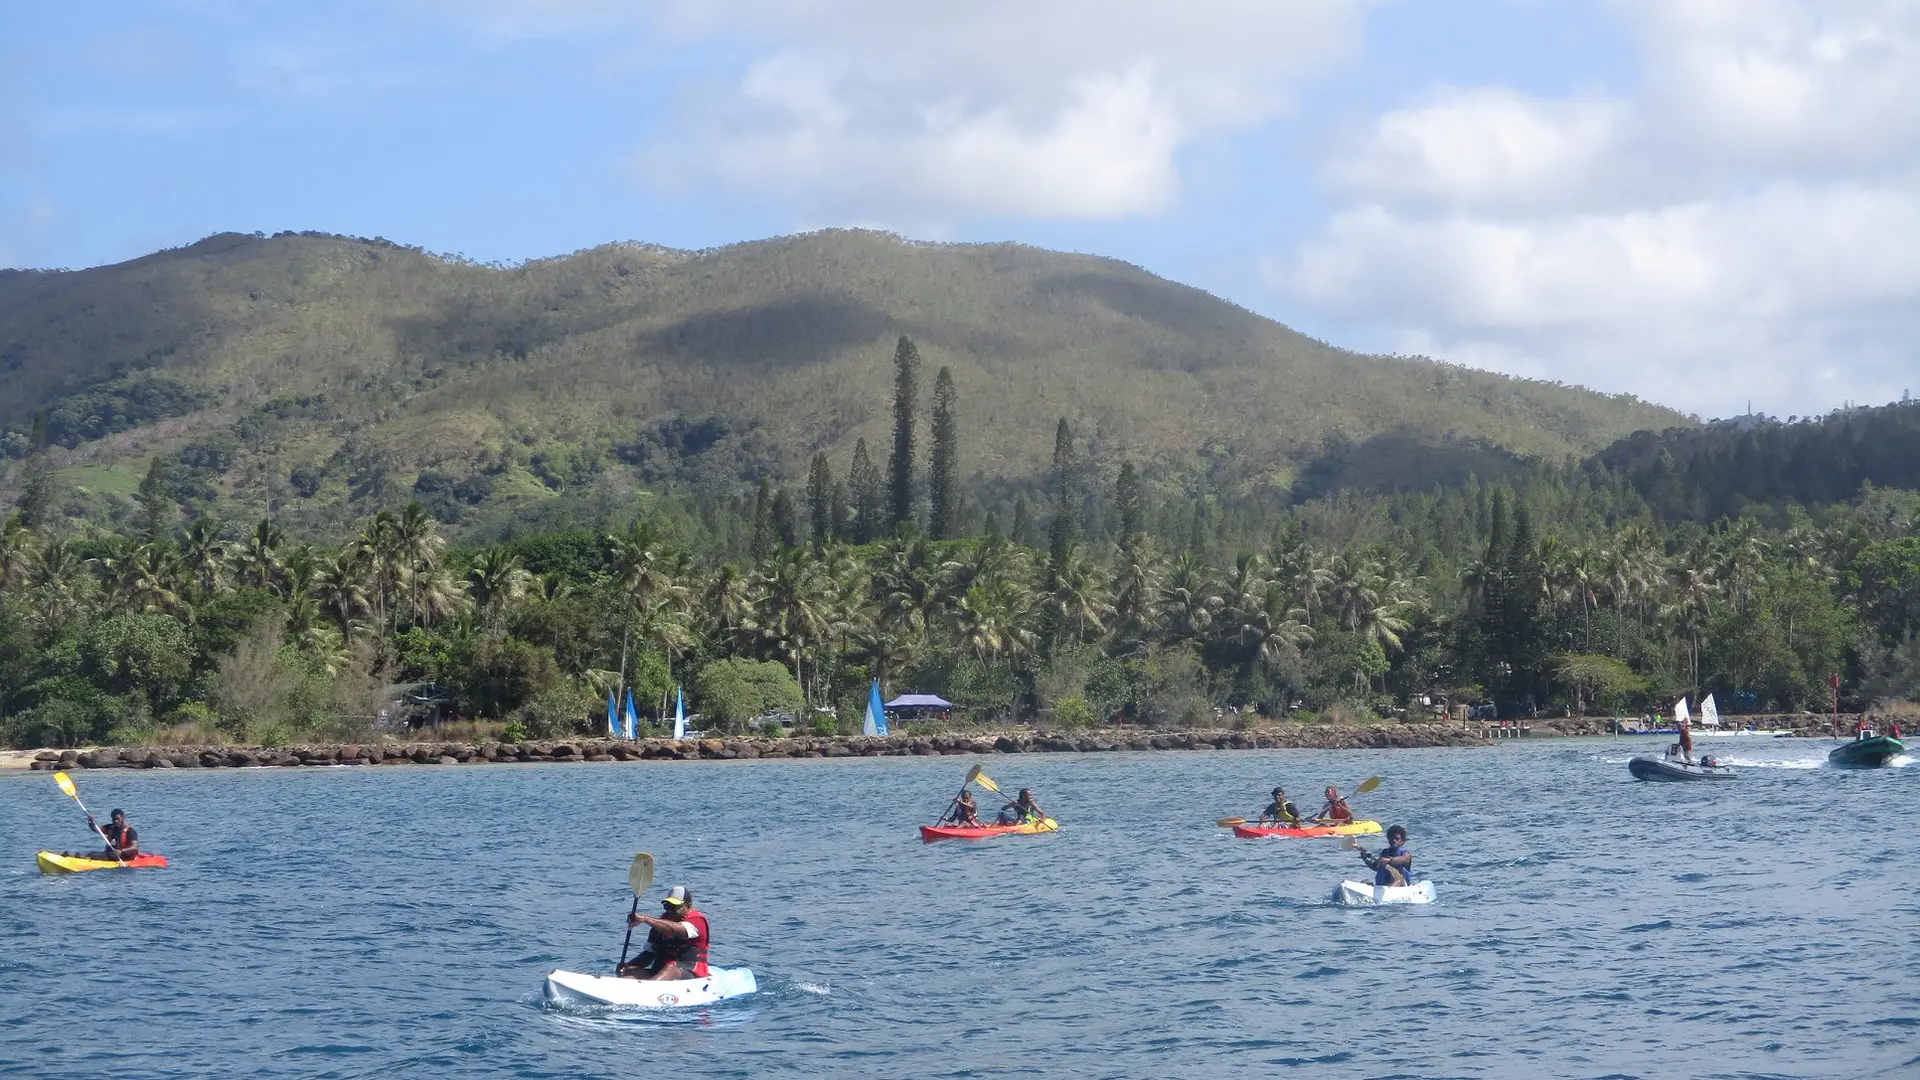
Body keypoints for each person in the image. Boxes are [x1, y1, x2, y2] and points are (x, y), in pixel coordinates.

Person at [618, 885, 710, 981]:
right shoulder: (659, 924)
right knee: (628, 972)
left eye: (674, 907)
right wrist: (627, 967)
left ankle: (648, 990)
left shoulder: (697, 921)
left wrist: (645, 919)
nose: (670, 910)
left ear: (688, 906)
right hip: (660, 973)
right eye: (667, 906)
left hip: (691, 975)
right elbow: (648, 955)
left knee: (671, 969)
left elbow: (673, 929)